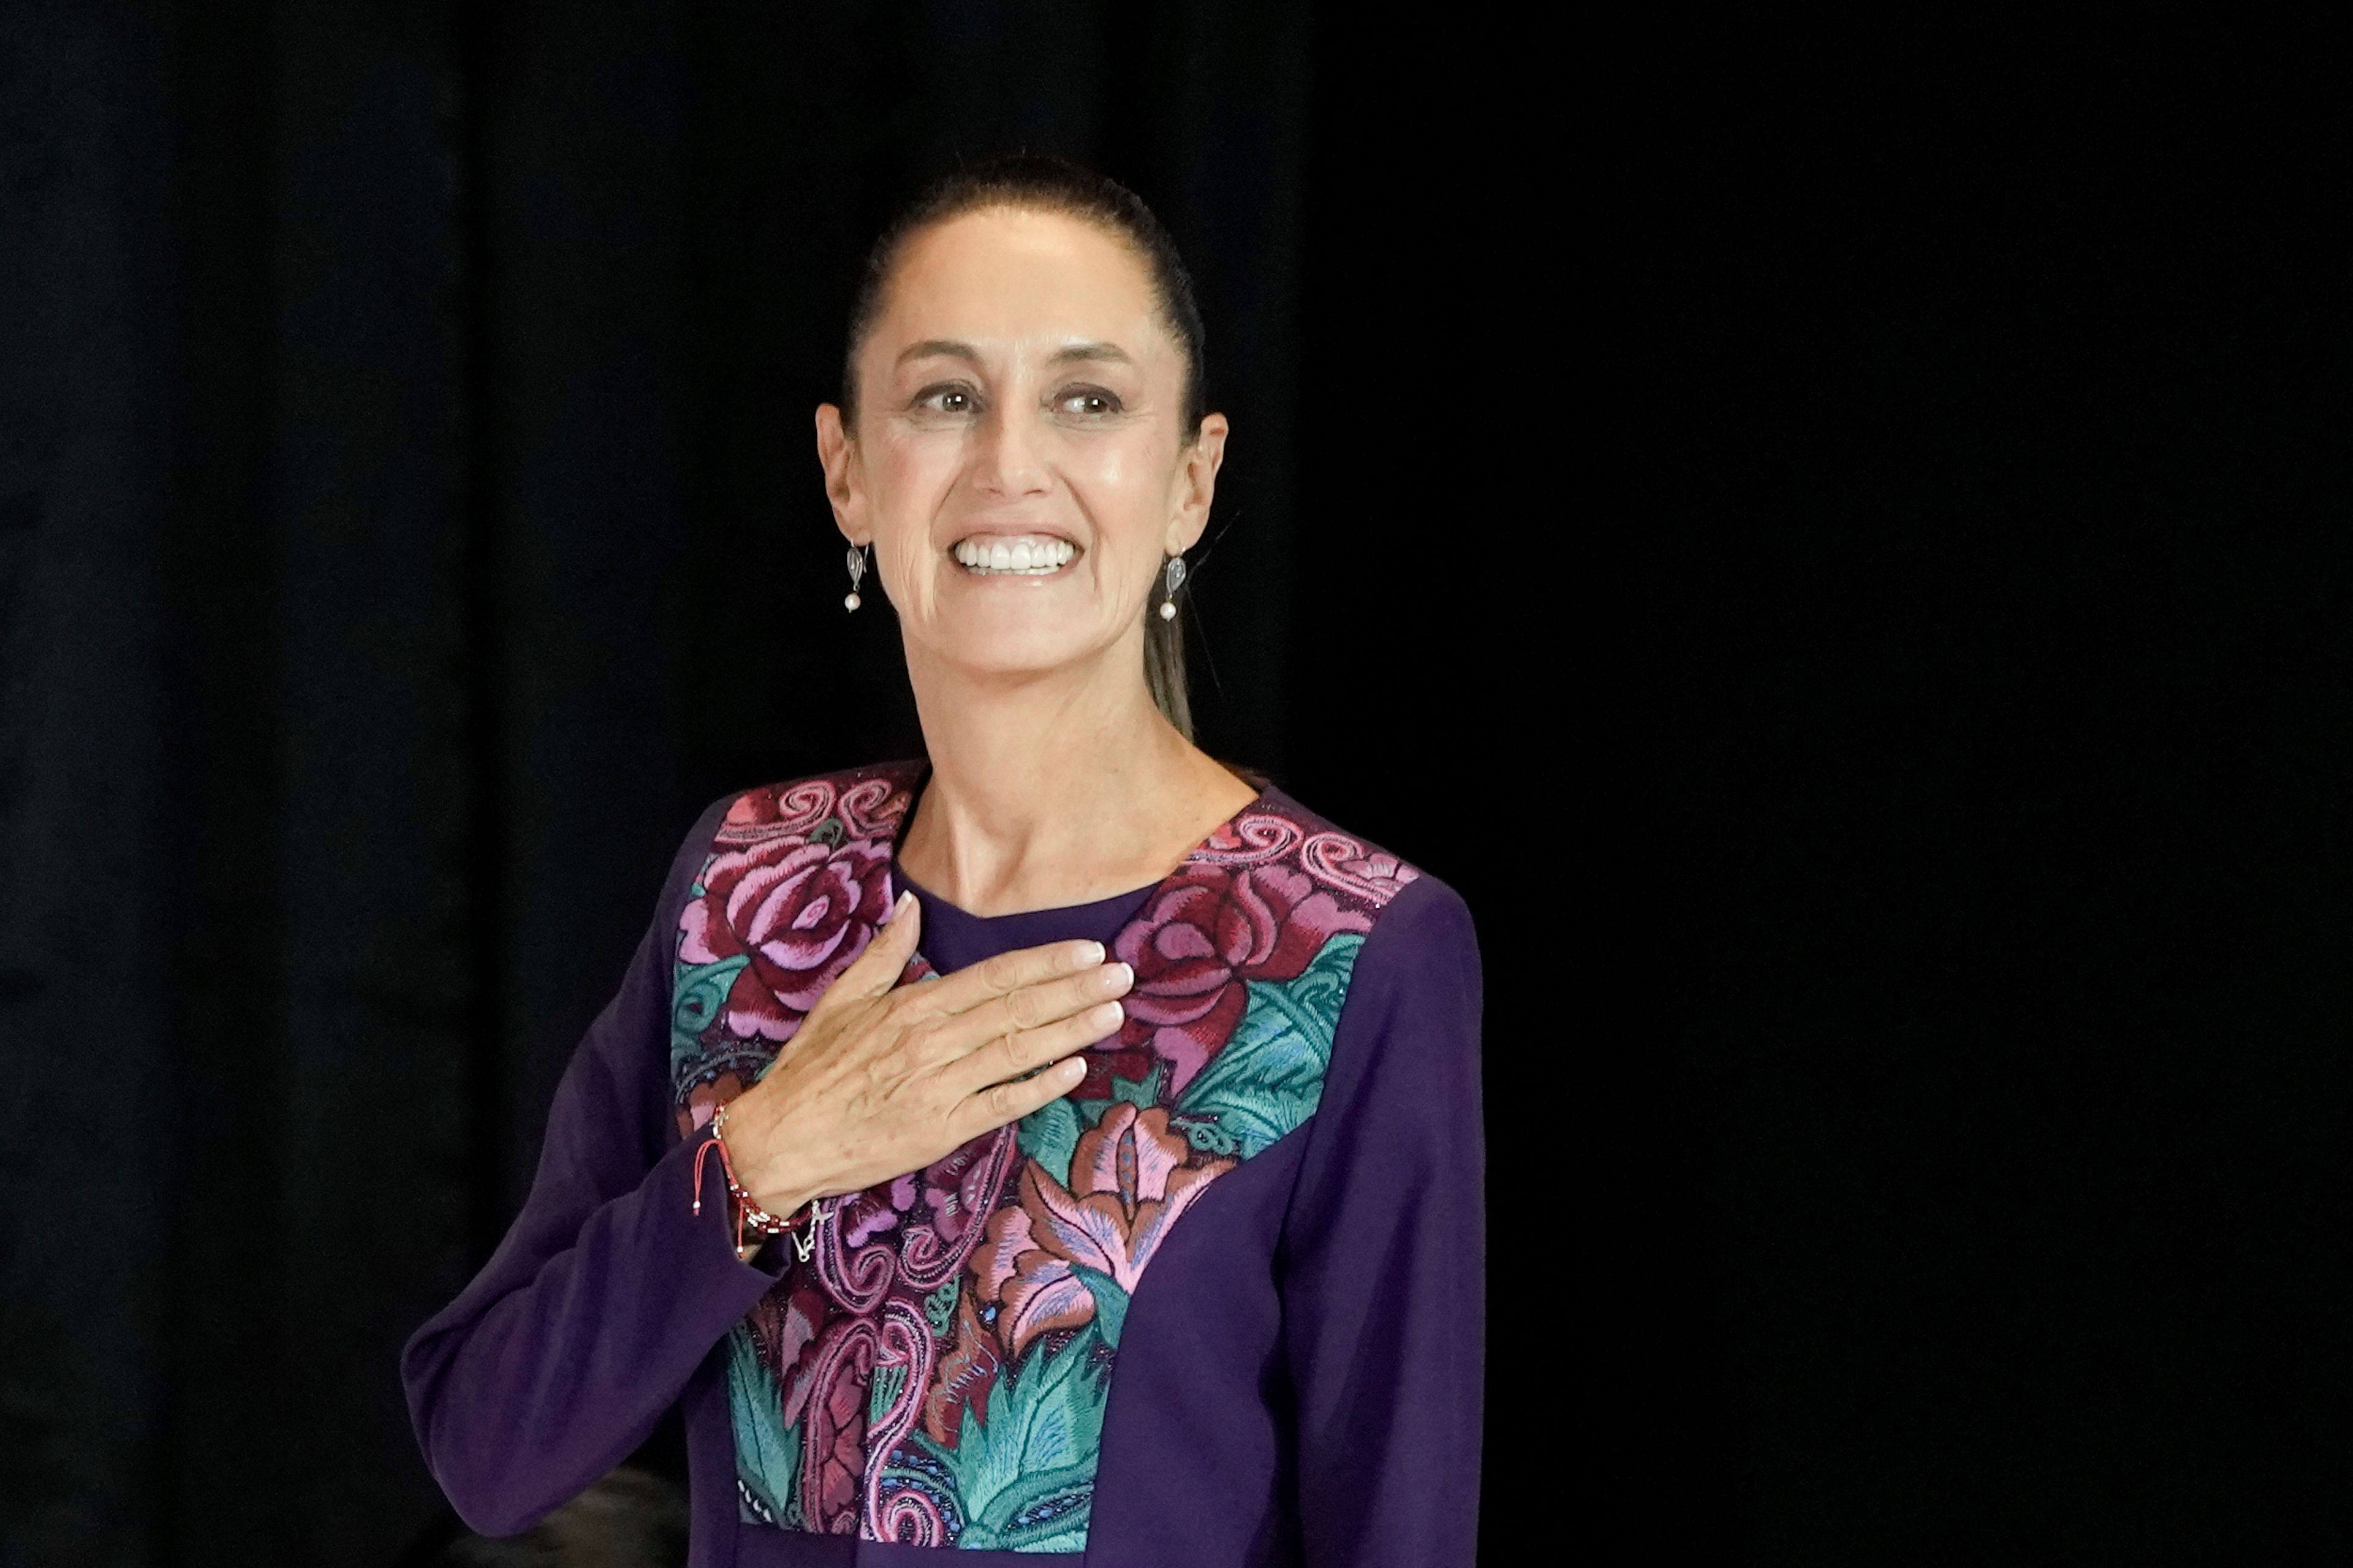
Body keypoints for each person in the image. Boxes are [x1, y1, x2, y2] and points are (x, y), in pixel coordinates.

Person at [402, 153, 1483, 1567]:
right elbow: (489, 1449)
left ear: (1191, 480)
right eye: (945, 396)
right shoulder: (746, 890)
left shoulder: (1349, 950)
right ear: (849, 473)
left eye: (1087, 400)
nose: (1010, 463)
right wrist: (770, 1155)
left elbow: (1395, 1526)